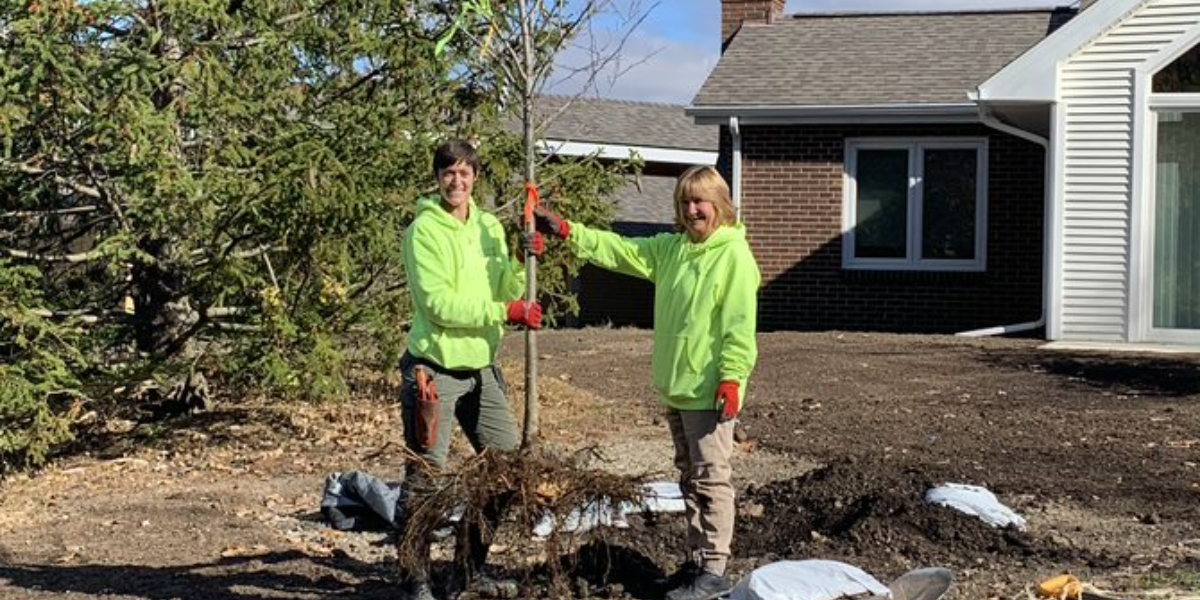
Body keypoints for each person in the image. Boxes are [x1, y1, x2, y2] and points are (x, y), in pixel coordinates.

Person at [533, 165, 759, 600]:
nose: (692, 210)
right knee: (689, 480)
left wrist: (732, 379)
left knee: (712, 480)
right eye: (685, 202)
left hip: (710, 393)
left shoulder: (733, 257)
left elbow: (739, 327)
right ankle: (696, 565)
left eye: (700, 202)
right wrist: (567, 230)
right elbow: (619, 250)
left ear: (719, 205)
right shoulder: (672, 250)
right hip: (677, 386)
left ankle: (713, 569)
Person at [398, 139, 543, 600]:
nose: (456, 182)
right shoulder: (424, 231)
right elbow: (439, 305)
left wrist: (523, 259)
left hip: (481, 368)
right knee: (426, 478)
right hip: (434, 370)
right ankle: (415, 577)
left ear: (475, 177)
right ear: (437, 177)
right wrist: (504, 311)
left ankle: (466, 569)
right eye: (448, 173)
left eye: (464, 173)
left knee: (504, 470)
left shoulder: (487, 228)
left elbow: (507, 282)